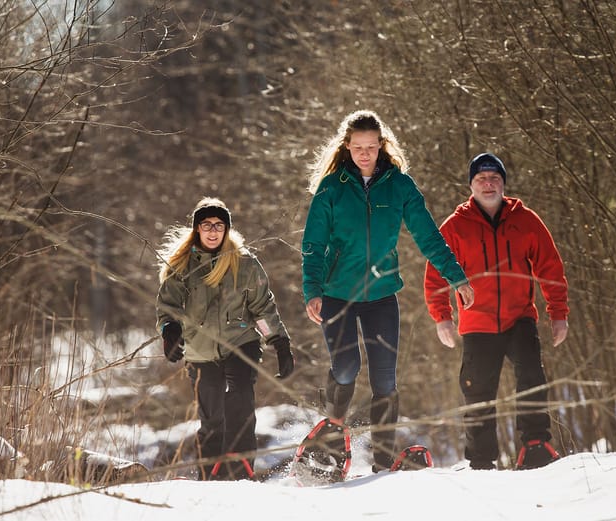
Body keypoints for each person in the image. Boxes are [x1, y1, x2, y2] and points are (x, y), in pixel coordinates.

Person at [301, 110, 475, 473]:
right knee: (347, 367)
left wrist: (456, 277)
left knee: (385, 379)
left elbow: (429, 236)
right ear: (346, 147)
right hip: (338, 293)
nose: (365, 154)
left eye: (371, 147)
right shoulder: (331, 188)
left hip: (381, 296)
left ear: (381, 146)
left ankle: (382, 460)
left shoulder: (400, 186)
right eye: (358, 147)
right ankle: (332, 434)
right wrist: (312, 289)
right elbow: (313, 244)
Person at [424, 152, 569, 470]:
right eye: (481, 179)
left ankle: (535, 444)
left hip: (520, 316)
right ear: (471, 185)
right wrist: (443, 317)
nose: (488, 184)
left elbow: (550, 266)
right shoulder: (455, 226)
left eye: (494, 179)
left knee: (532, 376)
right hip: (478, 321)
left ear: (503, 183)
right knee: (477, 390)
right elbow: (436, 272)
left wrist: (558, 313)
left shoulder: (525, 219)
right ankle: (481, 459)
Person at [156, 197, 295, 480]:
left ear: (227, 229)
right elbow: (168, 307)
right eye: (206, 225)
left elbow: (262, 309)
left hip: (241, 342)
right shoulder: (181, 267)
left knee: (240, 399)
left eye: (219, 225)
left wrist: (279, 342)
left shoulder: (245, 264)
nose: (212, 231)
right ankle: (210, 476)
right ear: (197, 229)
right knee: (212, 420)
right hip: (200, 351)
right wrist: (170, 331)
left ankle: (242, 471)